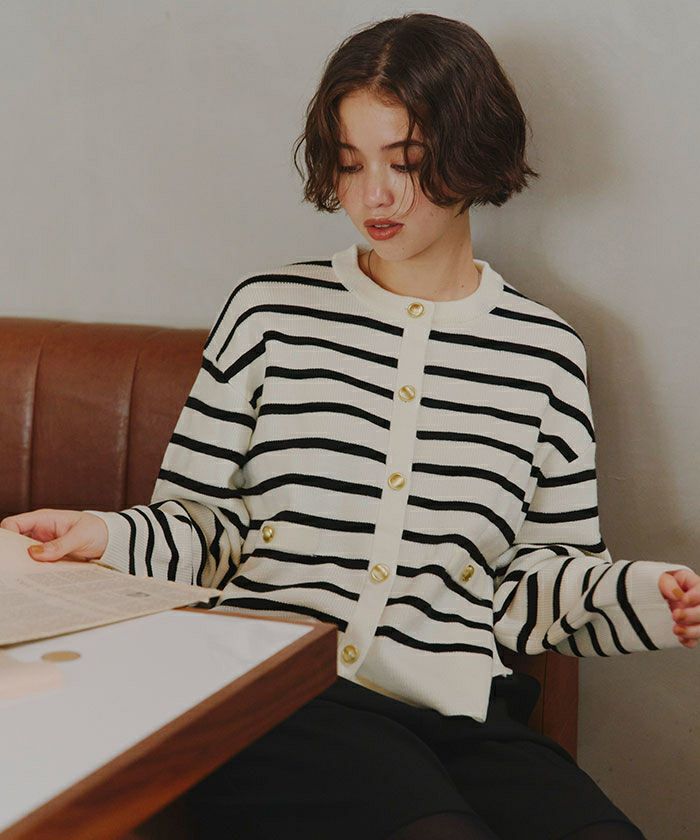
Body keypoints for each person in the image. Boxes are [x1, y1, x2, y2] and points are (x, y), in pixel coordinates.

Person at [2, 12, 698, 840]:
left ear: (472, 148)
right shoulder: (269, 312)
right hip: (285, 698)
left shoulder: (545, 352)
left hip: (466, 709)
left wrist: (656, 597)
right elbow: (205, 526)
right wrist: (102, 535)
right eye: (350, 162)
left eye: (407, 161)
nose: (374, 195)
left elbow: (534, 582)